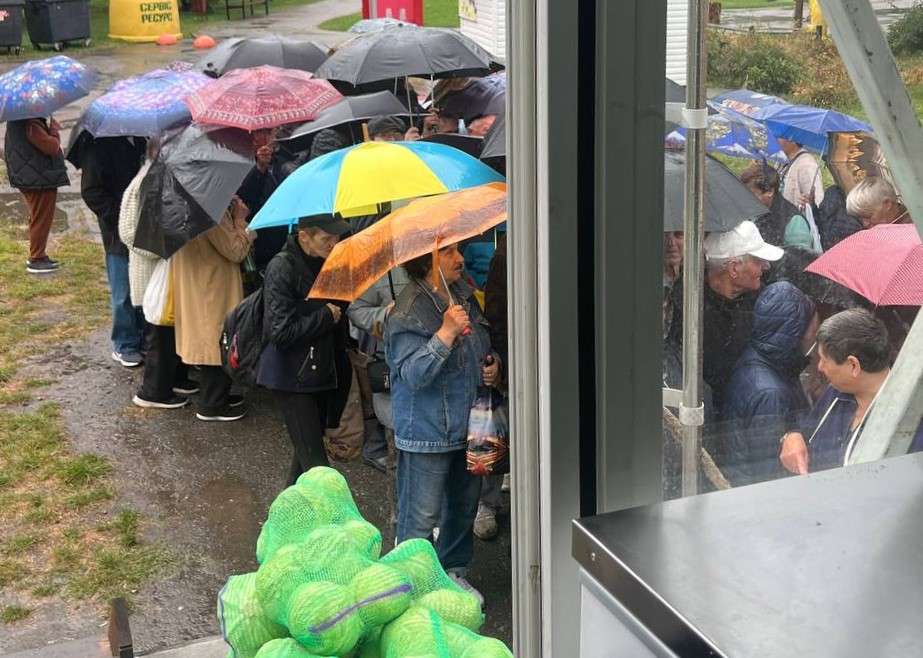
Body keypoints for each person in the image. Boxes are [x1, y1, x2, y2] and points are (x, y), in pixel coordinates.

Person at [385, 244, 500, 604]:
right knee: (420, 517)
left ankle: (452, 573)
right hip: (427, 432)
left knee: (463, 508)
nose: (460, 259)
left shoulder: (462, 293)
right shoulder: (406, 310)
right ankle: (412, 587)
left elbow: (482, 343)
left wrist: (493, 365)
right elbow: (412, 375)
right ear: (424, 259)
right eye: (447, 252)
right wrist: (445, 334)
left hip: (470, 427)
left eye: (457, 250)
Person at [258, 217, 352, 485]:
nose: (334, 243)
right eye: (326, 239)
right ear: (303, 237)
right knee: (318, 470)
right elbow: (280, 332)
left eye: (336, 237)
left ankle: (286, 509)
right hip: (291, 377)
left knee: (305, 461)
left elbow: (338, 310)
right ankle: (327, 513)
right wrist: (324, 316)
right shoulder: (282, 267)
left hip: (320, 373)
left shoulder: (329, 261)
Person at [780, 309, 923, 475]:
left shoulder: (909, 420)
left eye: (824, 360)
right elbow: (805, 434)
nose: (820, 367)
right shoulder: (834, 393)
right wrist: (791, 435)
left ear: (853, 365)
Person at [120, 140, 196, 409]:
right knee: (159, 335)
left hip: (164, 271)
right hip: (152, 272)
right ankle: (153, 392)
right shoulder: (146, 183)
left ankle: (174, 379)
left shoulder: (160, 179)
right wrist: (166, 247)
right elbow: (129, 232)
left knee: (169, 330)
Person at [721, 282, 818, 486]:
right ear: (796, 332)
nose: (814, 337)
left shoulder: (758, 356)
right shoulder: (770, 394)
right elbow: (768, 473)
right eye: (813, 330)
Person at [172, 197, 253, 421]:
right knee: (216, 339)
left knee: (210, 336)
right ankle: (212, 404)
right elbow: (236, 250)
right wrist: (241, 221)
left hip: (198, 280)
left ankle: (217, 397)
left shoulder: (186, 203)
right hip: (212, 285)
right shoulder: (210, 208)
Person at [79, 136, 148, 368]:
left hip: (145, 225)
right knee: (123, 290)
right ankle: (125, 343)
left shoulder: (142, 140)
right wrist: (120, 215)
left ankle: (144, 336)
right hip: (117, 230)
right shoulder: (99, 145)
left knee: (144, 284)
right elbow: (91, 192)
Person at [702, 220, 784, 412]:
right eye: (758, 260)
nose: (766, 266)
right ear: (733, 268)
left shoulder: (764, 303)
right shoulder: (689, 307)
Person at [348, 268, 410, 472]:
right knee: (398, 437)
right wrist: (385, 314)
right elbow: (356, 311)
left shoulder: (444, 267)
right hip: (392, 361)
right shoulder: (382, 271)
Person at [475, 233, 509, 541]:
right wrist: (500, 362)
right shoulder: (506, 253)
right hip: (514, 355)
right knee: (493, 429)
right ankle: (486, 502)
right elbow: (495, 317)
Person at [4, 116, 68, 274]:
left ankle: (39, 254)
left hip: (32, 176)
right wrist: (54, 130)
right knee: (41, 218)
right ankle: (36, 258)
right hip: (38, 178)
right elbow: (52, 147)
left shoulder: (17, 120)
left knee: (37, 216)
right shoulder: (32, 123)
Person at [237, 128, 287, 273]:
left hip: (282, 233)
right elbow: (246, 197)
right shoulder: (240, 162)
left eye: (269, 132)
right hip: (260, 239)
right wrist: (259, 168)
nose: (264, 138)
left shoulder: (282, 159)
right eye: (258, 133)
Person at [740, 161, 818, 252]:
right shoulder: (752, 213)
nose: (746, 199)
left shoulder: (794, 222)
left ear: (770, 192)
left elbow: (800, 257)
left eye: (751, 195)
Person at [845, 176, 911, 228]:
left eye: (868, 216)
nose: (865, 224)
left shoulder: (913, 227)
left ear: (887, 204)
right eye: (861, 218)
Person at [777, 137, 824, 209]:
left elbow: (817, 200)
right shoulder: (785, 161)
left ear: (792, 140)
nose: (777, 140)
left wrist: (809, 204)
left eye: (780, 137)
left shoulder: (807, 165)